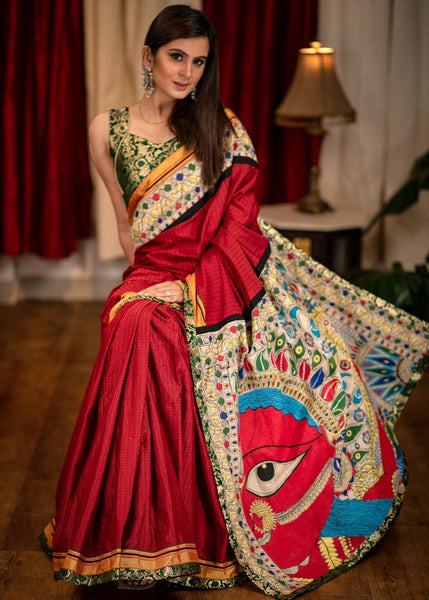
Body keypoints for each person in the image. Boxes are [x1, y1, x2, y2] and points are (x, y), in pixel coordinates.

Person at [39, 4, 429, 597]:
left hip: (214, 280)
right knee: (136, 322)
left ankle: (174, 530)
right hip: (152, 274)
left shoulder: (222, 128)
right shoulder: (106, 129)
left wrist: (192, 289)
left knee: (157, 332)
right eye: (176, 57)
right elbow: (127, 227)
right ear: (149, 58)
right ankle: (123, 523)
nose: (187, 72)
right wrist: (145, 284)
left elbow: (240, 229)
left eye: (198, 61)